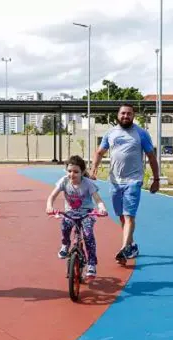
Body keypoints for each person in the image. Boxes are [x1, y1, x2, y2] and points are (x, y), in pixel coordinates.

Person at [90, 103, 160, 264]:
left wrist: (156, 180)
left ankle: (123, 249)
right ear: (118, 115)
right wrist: (93, 169)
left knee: (129, 216)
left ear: (133, 116)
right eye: (123, 113)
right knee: (121, 216)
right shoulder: (111, 133)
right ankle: (131, 244)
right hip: (114, 181)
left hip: (133, 181)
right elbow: (100, 152)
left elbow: (151, 157)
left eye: (129, 114)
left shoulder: (141, 134)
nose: (125, 116)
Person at [46, 155, 108, 278]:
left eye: (76, 172)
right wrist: (49, 206)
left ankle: (91, 264)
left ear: (82, 172)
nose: (72, 174)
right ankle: (65, 244)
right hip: (70, 213)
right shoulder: (64, 181)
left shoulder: (88, 184)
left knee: (88, 234)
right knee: (65, 225)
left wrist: (102, 208)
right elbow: (51, 196)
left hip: (86, 214)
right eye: (69, 171)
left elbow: (98, 199)